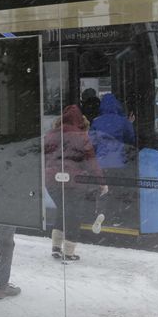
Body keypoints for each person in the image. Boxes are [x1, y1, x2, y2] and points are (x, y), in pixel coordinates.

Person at [44, 105, 106, 261]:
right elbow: (91, 163)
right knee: (73, 216)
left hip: (52, 182)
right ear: (79, 120)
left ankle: (56, 248)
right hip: (72, 183)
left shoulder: (50, 135)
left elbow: (45, 158)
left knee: (63, 211)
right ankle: (69, 253)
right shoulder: (81, 136)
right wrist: (101, 182)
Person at [89, 94, 136, 225]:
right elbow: (131, 140)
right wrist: (129, 124)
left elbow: (91, 142)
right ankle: (116, 217)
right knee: (117, 189)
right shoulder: (122, 121)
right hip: (118, 162)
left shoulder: (96, 121)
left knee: (103, 188)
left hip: (101, 162)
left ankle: (101, 213)